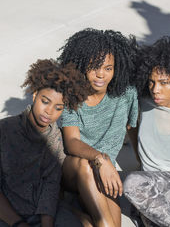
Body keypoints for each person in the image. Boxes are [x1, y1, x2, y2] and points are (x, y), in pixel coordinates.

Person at [58, 28, 138, 227]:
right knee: (86, 167)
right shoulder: (72, 95)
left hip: (104, 171)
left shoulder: (127, 94)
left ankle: (79, 216)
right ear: (82, 66)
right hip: (75, 166)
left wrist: (141, 163)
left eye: (108, 68)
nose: (101, 74)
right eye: (94, 67)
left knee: (113, 224)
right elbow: (71, 142)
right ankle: (70, 208)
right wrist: (100, 159)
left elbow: (131, 128)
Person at [0, 59, 90, 227]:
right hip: (7, 214)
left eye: (58, 108)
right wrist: (18, 223)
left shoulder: (56, 138)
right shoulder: (4, 130)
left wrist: (46, 224)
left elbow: (51, 186)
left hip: (43, 213)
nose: (49, 112)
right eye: (45, 101)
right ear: (35, 95)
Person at [123, 36, 170, 227]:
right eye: (151, 82)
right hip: (152, 187)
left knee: (133, 183)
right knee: (147, 209)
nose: (155, 89)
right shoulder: (144, 103)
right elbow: (131, 127)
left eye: (164, 82)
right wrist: (141, 159)